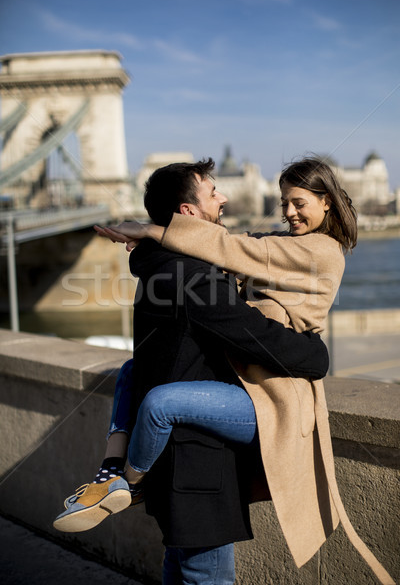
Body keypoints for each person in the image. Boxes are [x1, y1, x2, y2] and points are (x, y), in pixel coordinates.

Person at [91, 156, 395, 585]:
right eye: (284, 202)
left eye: (298, 202)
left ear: (327, 203)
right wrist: (155, 244)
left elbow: (236, 247)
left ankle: (129, 481)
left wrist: (152, 232)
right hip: (247, 382)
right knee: (129, 370)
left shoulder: (321, 250)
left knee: (160, 402)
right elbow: (237, 242)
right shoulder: (282, 243)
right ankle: (116, 474)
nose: (288, 212)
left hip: (275, 389)